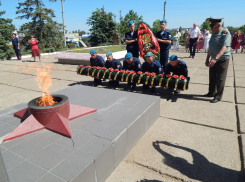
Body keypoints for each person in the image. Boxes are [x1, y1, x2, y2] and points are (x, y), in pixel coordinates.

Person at [204, 18, 231, 103]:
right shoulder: (213, 33)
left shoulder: (225, 33)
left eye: (212, 26)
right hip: (213, 59)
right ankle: (211, 92)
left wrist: (216, 58)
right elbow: (210, 47)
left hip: (222, 60)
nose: (211, 29)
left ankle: (218, 96)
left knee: (220, 79)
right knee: (212, 77)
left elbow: (224, 47)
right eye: (210, 26)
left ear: (219, 25)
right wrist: (207, 58)